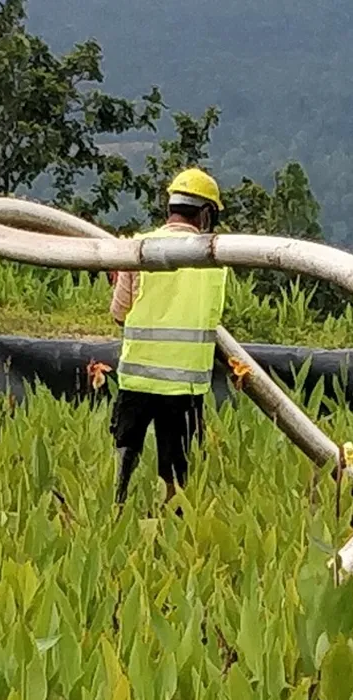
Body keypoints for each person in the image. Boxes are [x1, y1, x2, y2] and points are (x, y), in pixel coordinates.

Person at [108, 168, 232, 506]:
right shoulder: (217, 263)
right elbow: (211, 317)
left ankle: (113, 511)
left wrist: (118, 278)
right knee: (176, 471)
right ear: (207, 213)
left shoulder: (138, 249)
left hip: (136, 378)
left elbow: (120, 313)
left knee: (123, 458)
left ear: (170, 208)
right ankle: (172, 526)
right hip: (184, 387)